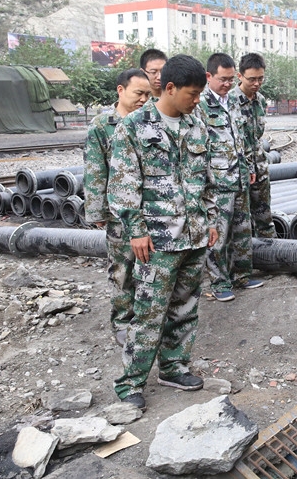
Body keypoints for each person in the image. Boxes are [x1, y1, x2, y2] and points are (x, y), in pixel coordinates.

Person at [107, 54, 218, 411]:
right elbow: (123, 184)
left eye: (200, 93)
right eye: (192, 93)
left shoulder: (196, 126)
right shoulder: (135, 127)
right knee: (149, 311)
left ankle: (174, 366)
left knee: (185, 307)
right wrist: (136, 231)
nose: (197, 100)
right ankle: (131, 383)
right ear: (169, 88)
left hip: (194, 234)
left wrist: (211, 219)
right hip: (156, 240)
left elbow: (207, 180)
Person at [84, 68, 152, 347]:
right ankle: (123, 322)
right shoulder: (102, 125)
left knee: (149, 268)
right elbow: (95, 169)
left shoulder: (148, 121)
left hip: (148, 209)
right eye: (139, 93)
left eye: (148, 94)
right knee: (122, 269)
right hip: (118, 213)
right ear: (120, 91)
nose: (144, 99)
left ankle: (147, 320)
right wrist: (97, 211)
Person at [199, 53, 260, 302]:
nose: (227, 84)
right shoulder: (201, 105)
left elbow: (242, 138)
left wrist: (250, 166)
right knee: (219, 235)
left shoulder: (233, 101)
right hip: (218, 183)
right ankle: (219, 282)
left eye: (230, 79)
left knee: (242, 230)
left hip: (239, 177)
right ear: (209, 76)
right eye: (222, 79)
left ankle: (241, 275)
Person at [229, 53, 275, 238]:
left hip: (261, 168)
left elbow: (256, 138)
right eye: (252, 79)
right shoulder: (229, 101)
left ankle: (271, 259)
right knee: (242, 224)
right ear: (240, 76)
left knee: (265, 217)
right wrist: (246, 167)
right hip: (241, 171)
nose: (256, 83)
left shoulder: (260, 100)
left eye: (260, 78)